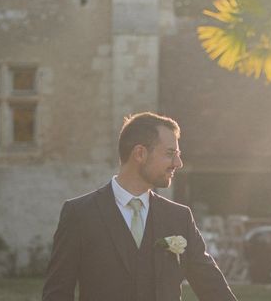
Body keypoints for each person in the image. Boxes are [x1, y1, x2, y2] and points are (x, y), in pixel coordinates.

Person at [42, 112, 237, 301]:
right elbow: (57, 293)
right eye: (170, 154)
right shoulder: (80, 214)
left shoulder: (179, 217)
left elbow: (215, 291)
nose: (178, 163)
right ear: (140, 153)